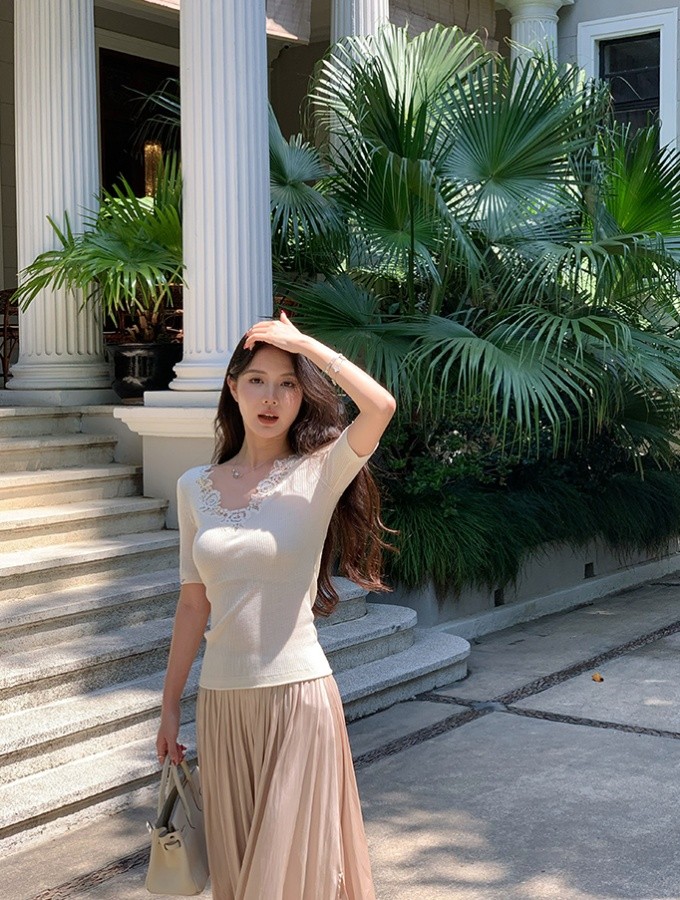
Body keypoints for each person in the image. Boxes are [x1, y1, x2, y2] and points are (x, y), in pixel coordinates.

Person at [156, 310, 396, 900]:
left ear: (301, 396)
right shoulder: (194, 487)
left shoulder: (320, 471)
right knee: (240, 877)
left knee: (288, 880)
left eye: (288, 383)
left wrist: (306, 345)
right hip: (221, 704)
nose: (271, 397)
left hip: (298, 699)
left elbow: (380, 407)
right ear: (233, 387)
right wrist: (169, 707)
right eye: (257, 380)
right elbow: (192, 604)